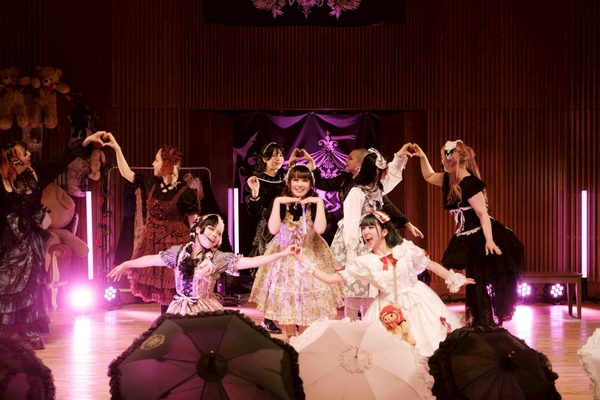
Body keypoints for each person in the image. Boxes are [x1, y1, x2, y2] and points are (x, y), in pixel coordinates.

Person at [298, 210, 475, 357]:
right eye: (363, 228)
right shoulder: (365, 262)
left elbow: (430, 265)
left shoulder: (405, 248)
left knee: (427, 344)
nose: (365, 232)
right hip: (387, 307)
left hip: (417, 300)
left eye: (370, 227)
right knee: (391, 353)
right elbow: (331, 279)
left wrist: (456, 278)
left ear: (384, 231)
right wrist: (304, 262)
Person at [0, 132, 105, 349]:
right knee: (7, 287)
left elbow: (61, 160)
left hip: (32, 241)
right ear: (13, 161)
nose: (29, 155)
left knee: (32, 286)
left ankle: (28, 330)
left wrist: (86, 142)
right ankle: (7, 334)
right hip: (8, 243)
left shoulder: (34, 174)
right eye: (24, 154)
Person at [295, 146, 417, 321]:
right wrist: (351, 257)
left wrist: (400, 156)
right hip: (355, 243)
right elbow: (351, 224)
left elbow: (393, 177)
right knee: (353, 293)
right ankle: (351, 327)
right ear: (374, 172)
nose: (386, 174)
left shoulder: (376, 188)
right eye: (382, 170)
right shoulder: (357, 191)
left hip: (372, 242)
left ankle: (368, 327)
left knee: (371, 293)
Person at [411, 140, 524, 326]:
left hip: (480, 234)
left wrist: (489, 240)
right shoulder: (449, 179)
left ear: (450, 160)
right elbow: (429, 176)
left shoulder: (470, 184)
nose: (441, 161)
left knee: (479, 280)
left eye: (442, 158)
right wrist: (423, 157)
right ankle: (478, 321)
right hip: (467, 234)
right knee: (472, 279)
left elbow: (482, 214)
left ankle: (483, 323)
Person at [107, 214, 298, 315]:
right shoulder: (178, 253)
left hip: (205, 309)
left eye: (219, 233)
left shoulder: (217, 258)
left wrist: (283, 253)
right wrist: (126, 264)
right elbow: (151, 259)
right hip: (180, 308)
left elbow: (252, 261)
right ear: (198, 229)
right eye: (211, 229)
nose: (214, 235)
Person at [101, 132, 200, 314]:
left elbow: (195, 225)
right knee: (163, 293)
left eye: (156, 160)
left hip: (175, 243)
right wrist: (117, 148)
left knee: (174, 289)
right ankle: (166, 321)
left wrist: (195, 252)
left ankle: (175, 321)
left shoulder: (185, 193)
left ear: (167, 164)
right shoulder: (152, 183)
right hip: (152, 241)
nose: (153, 164)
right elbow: (127, 173)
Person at [249, 165, 345, 339]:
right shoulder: (280, 201)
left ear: (310, 183)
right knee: (288, 299)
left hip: (309, 256)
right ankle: (291, 340)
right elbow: (273, 230)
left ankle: (303, 342)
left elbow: (320, 229)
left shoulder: (314, 203)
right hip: (284, 256)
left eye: (304, 180)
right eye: (296, 180)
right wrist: (278, 202)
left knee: (307, 301)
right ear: (289, 182)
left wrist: (319, 202)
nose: (300, 184)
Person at [246, 141, 286, 334]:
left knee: (290, 274)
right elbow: (252, 212)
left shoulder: (287, 177)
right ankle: (268, 318)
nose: (278, 159)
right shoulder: (258, 180)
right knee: (272, 275)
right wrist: (255, 194)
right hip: (269, 233)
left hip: (290, 228)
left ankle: (290, 315)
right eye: (273, 155)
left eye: (280, 155)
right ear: (264, 158)